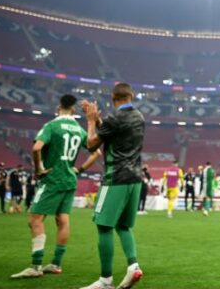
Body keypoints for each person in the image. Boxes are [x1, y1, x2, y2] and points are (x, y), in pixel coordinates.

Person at [11, 94, 102, 279]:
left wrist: (38, 170)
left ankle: (36, 266)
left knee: (35, 219)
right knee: (63, 220)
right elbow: (96, 153)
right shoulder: (78, 129)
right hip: (69, 179)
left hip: (52, 178)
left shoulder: (52, 126)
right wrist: (79, 169)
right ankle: (56, 264)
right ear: (74, 110)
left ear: (57, 108)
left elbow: (36, 148)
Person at [81, 82, 145, 289]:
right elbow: (112, 131)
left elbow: (91, 144)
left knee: (104, 226)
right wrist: (100, 120)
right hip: (135, 178)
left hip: (115, 178)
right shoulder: (139, 117)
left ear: (113, 97)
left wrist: (91, 121)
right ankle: (133, 266)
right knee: (123, 225)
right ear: (131, 96)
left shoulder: (114, 118)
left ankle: (105, 280)